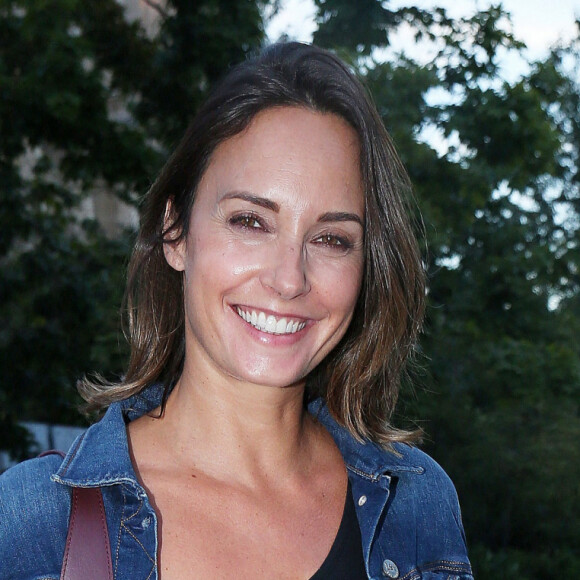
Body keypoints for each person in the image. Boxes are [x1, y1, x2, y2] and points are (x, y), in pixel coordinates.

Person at [0, 42, 473, 579]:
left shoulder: (414, 504)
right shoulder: (29, 526)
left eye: (333, 238)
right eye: (250, 221)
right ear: (175, 232)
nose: (289, 278)